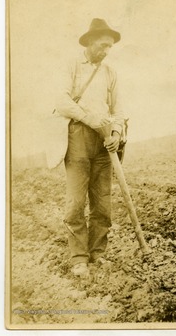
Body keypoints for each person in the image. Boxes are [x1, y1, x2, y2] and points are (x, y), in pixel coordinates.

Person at [55, 18, 124, 277]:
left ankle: (98, 253)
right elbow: (61, 101)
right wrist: (89, 118)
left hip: (104, 139)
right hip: (78, 136)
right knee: (75, 202)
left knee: (102, 203)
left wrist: (116, 131)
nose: (106, 51)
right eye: (103, 45)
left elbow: (119, 109)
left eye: (110, 48)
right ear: (91, 41)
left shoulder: (110, 72)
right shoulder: (72, 65)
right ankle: (79, 258)